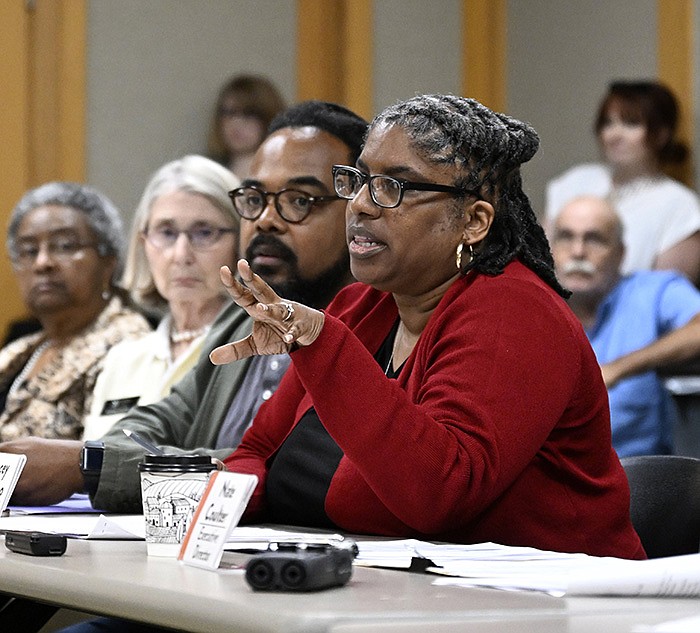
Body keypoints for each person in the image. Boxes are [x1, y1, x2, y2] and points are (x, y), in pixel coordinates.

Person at [213, 94, 644, 560]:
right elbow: (255, 448)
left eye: (395, 186)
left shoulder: (516, 314)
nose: (360, 204)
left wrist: (322, 344)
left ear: (473, 221)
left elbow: (438, 493)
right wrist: (222, 512)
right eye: (359, 180)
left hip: (554, 607)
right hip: (377, 590)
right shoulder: (362, 307)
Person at [0, 100, 367, 513]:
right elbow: (158, 421)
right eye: (255, 198)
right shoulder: (240, 320)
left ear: (360, 212)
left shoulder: (372, 329)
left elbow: (278, 468)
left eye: (300, 201)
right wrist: (94, 459)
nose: (267, 219)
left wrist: (92, 465)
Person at [82, 155, 241, 440]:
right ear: (144, 243)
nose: (181, 255)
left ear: (241, 241)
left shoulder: (252, 352)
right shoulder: (122, 359)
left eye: (204, 232)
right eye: (166, 232)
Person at [0, 183, 151, 442]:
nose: (42, 262)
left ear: (108, 262)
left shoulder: (130, 346)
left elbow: (114, 458)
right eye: (28, 250)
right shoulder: (19, 350)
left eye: (65, 246)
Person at [551, 195, 700, 457]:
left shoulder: (651, 292)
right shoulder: (532, 303)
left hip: (638, 481)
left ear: (621, 253)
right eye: (566, 237)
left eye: (594, 239)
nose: (577, 251)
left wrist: (618, 369)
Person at [545, 80, 700, 284]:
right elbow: (541, 259)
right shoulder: (574, 181)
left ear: (661, 134)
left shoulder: (680, 206)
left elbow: (665, 297)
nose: (614, 135)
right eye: (608, 123)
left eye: (631, 123)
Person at [206, 74, 286, 179]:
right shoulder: (206, 172)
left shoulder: (285, 173)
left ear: (269, 118)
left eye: (249, 114)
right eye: (228, 113)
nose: (236, 123)